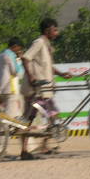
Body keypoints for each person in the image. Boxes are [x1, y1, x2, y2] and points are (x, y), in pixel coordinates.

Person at [20, 18, 73, 160]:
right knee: (30, 119)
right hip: (36, 89)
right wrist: (31, 77)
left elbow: (46, 66)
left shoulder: (46, 45)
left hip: (44, 90)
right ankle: (26, 150)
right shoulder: (39, 43)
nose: (57, 32)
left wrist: (61, 74)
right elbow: (26, 58)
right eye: (54, 30)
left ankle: (43, 145)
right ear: (46, 31)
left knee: (50, 117)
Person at [0, 37, 25, 117]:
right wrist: (19, 60)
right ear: (15, 46)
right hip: (10, 89)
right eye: (18, 49)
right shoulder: (10, 56)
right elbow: (16, 72)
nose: (18, 51)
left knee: (4, 111)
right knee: (11, 115)